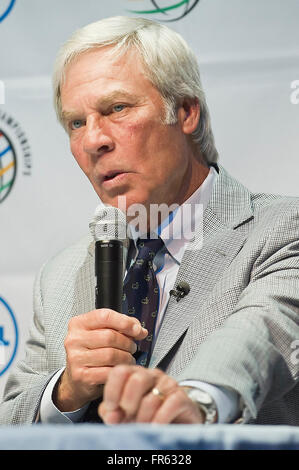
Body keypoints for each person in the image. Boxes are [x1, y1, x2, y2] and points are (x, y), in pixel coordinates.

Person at [1, 16, 299, 426]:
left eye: (117, 108)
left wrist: (198, 401)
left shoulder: (284, 230)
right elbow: (10, 416)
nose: (93, 140)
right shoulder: (60, 276)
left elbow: (260, 338)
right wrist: (66, 389)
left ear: (186, 111)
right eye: (76, 122)